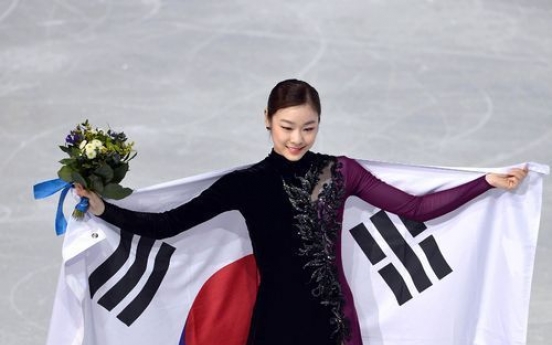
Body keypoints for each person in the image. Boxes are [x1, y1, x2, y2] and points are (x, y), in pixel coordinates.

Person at [75, 79, 527, 345]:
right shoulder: (246, 184)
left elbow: (414, 208)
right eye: (287, 127)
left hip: (334, 325)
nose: (297, 138)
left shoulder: (342, 172)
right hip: (274, 325)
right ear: (267, 119)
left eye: (308, 128)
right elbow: (168, 223)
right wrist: (103, 208)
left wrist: (483, 182)